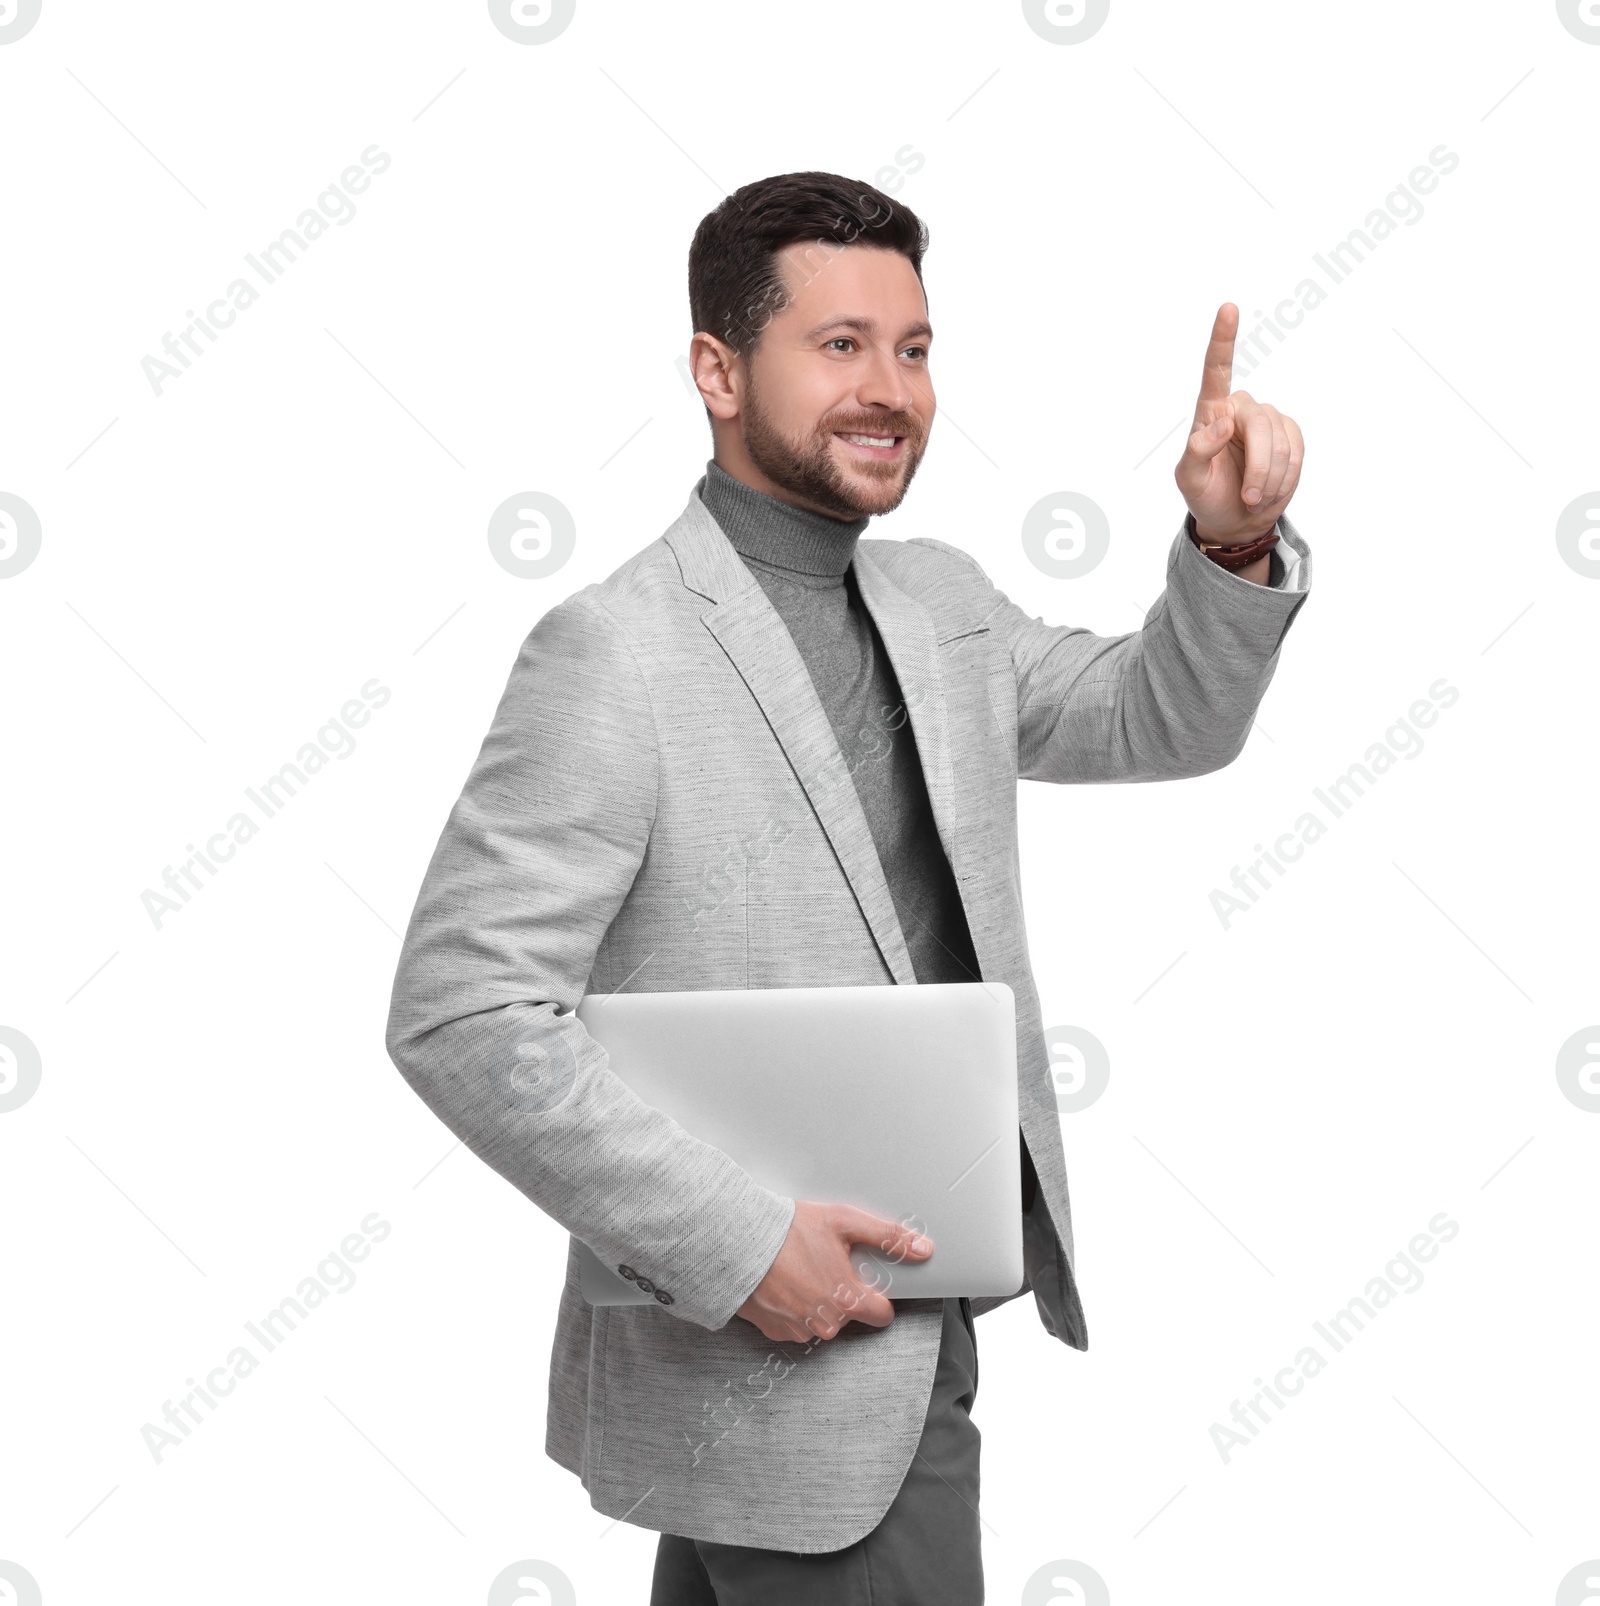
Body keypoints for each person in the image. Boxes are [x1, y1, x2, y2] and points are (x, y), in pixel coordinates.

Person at [384, 169, 1311, 1604]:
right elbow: (462, 1013)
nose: (891, 389)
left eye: (916, 347)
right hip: (790, 1334)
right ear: (715, 368)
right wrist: (745, 1245)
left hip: (892, 1326)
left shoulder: (942, 603)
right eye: (839, 345)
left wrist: (1231, 545)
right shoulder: (612, 654)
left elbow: (1156, 719)